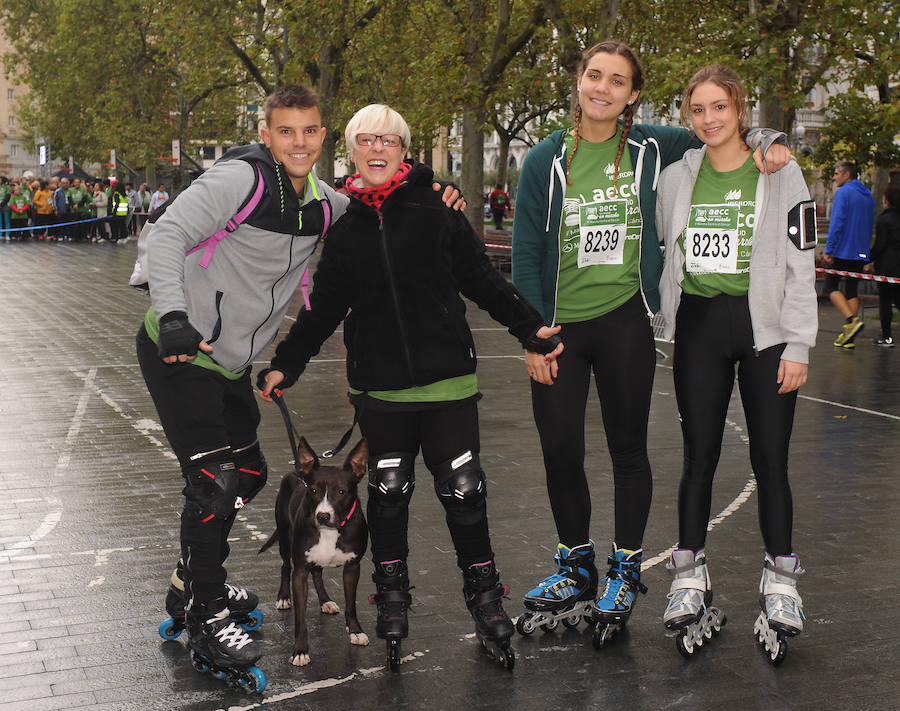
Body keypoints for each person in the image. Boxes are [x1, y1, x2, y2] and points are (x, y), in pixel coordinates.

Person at [136, 85, 464, 678]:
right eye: (285, 131)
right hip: (183, 349)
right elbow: (168, 235)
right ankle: (208, 606)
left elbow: (378, 200)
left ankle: (193, 572)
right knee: (214, 480)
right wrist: (176, 318)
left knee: (253, 474)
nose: (298, 142)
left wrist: (434, 186)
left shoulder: (322, 202)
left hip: (231, 361)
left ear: (322, 135)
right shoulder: (242, 181)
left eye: (310, 131)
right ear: (267, 135)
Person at [258, 103, 561, 670]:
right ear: (350, 150)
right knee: (388, 498)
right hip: (382, 394)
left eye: (389, 141)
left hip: (448, 386)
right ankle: (391, 601)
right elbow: (322, 311)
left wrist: (531, 329)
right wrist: (286, 365)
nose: (377, 150)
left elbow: (482, 280)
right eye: (366, 140)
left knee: (465, 494)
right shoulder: (342, 224)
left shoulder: (437, 207)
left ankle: (487, 601)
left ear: (404, 150)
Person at [511, 40, 790, 636]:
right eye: (594, 75)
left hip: (624, 321)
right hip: (559, 327)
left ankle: (625, 564)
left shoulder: (655, 146)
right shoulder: (542, 161)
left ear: (633, 94)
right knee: (560, 450)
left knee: (628, 450)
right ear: (579, 82)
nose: (603, 88)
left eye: (617, 80)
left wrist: (770, 141)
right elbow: (528, 251)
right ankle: (575, 563)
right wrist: (532, 335)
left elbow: (724, 132)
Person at [656, 65, 817, 656]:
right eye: (698, 109)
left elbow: (802, 262)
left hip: (766, 332)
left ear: (740, 109)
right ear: (688, 116)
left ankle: (780, 576)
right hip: (698, 327)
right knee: (698, 455)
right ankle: (688, 572)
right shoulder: (677, 177)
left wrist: (798, 343)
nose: (709, 119)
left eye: (719, 107)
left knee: (770, 458)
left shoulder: (779, 169)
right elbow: (665, 245)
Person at [824, 161, 875, 348]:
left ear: (847, 175)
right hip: (860, 252)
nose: (834, 177)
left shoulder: (843, 192)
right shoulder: (868, 195)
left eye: (837, 173)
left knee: (829, 287)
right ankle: (849, 336)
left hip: (842, 250)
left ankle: (851, 321)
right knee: (852, 289)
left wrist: (829, 249)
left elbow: (837, 223)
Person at [868, 186, 900, 346]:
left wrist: (867, 258)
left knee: (885, 301)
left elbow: (880, 245)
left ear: (887, 201)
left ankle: (887, 337)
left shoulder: (883, 220)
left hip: (887, 267)